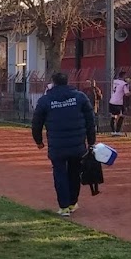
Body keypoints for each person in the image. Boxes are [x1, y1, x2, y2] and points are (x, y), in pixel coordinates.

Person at [32, 70, 98, 215]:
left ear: (53, 83)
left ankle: (63, 207)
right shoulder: (80, 97)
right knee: (75, 172)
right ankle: (73, 203)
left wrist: (38, 141)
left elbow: (36, 123)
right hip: (77, 144)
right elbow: (90, 121)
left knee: (59, 173)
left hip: (57, 146)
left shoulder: (45, 100)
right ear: (67, 82)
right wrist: (91, 141)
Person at [107, 71, 130, 137]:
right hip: (118, 102)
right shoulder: (124, 84)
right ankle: (117, 131)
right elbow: (127, 93)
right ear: (123, 76)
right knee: (121, 115)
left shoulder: (114, 81)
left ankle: (113, 131)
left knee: (113, 116)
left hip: (112, 101)